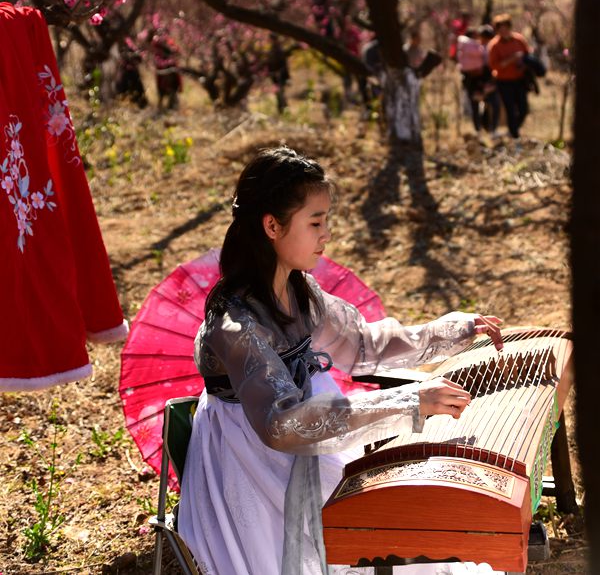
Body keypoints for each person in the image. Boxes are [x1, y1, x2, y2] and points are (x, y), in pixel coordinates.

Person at [177, 146, 504, 575]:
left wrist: (453, 330)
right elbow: (281, 423)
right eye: (315, 222)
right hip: (253, 460)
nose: (326, 234)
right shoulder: (236, 324)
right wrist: (410, 403)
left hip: (305, 435)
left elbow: (363, 345)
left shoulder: (301, 291)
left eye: (326, 221)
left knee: (385, 533)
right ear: (272, 225)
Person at [486, 15, 530, 140]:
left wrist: (523, 65)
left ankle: (514, 129)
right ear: (497, 30)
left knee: (524, 109)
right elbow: (493, 66)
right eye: (501, 29)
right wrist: (511, 60)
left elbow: (528, 56)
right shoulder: (494, 45)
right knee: (510, 109)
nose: (504, 31)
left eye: (506, 28)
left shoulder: (519, 40)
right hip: (504, 81)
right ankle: (514, 135)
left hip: (520, 80)